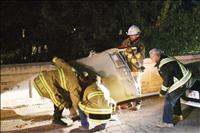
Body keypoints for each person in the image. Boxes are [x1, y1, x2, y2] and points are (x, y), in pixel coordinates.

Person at [149, 48, 200, 128]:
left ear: (157, 55)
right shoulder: (166, 59)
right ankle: (177, 115)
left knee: (168, 99)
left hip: (183, 82)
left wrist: (162, 92)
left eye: (152, 57)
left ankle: (167, 122)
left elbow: (167, 81)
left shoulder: (164, 64)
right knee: (174, 95)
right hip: (188, 78)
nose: (151, 59)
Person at [33, 57, 82, 126]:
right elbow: (74, 96)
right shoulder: (75, 83)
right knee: (59, 99)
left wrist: (55, 59)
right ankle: (57, 119)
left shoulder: (69, 69)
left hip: (43, 80)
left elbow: (62, 63)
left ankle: (70, 116)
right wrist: (78, 109)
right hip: (44, 83)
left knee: (64, 97)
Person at [117, 25, 145, 110]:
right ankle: (128, 103)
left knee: (136, 85)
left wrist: (130, 53)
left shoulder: (140, 45)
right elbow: (121, 51)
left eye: (133, 35)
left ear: (137, 35)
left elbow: (140, 58)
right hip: (126, 67)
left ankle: (138, 103)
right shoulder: (126, 42)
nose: (132, 37)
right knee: (127, 85)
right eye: (130, 35)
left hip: (136, 68)